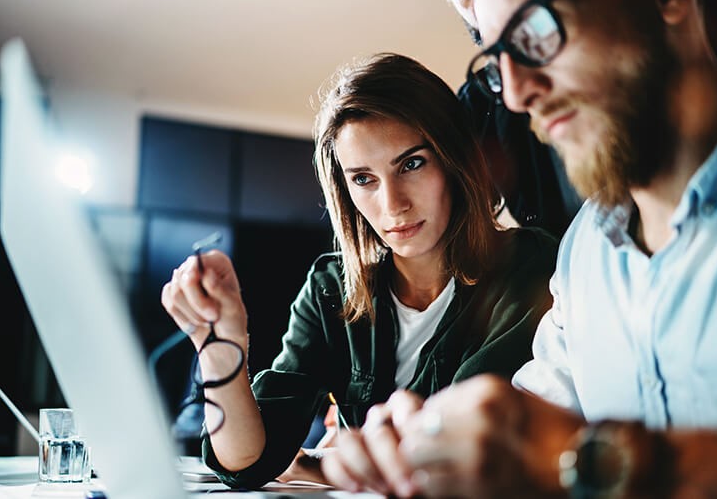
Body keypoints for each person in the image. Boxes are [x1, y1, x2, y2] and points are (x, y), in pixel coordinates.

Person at [321, 0, 717, 497]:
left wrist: (602, 462)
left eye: (537, 31)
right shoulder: (584, 253)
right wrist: (431, 451)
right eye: (497, 59)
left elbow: (564, 453)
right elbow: (530, 429)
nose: (515, 94)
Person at [161, 53, 557, 490]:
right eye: (364, 179)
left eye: (412, 163)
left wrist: (324, 465)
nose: (393, 205)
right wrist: (219, 344)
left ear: (454, 160)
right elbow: (246, 462)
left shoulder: (528, 267)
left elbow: (450, 443)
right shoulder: (331, 288)